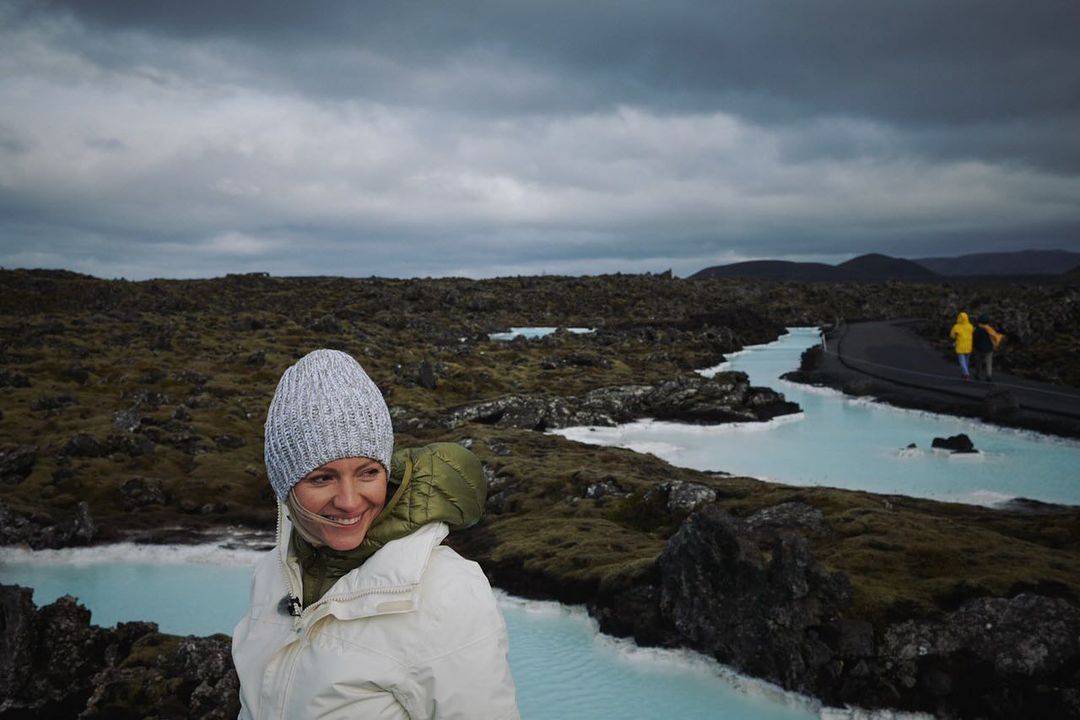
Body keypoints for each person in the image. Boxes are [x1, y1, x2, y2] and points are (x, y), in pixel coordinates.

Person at [232, 349, 519, 719]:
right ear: (284, 484)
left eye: (368, 473)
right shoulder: (274, 573)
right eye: (322, 478)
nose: (350, 502)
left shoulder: (446, 591)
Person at [971, 315, 1006, 382]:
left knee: (978, 362)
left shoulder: (977, 330)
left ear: (980, 322)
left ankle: (977, 375)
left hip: (979, 349)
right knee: (988, 363)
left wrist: (974, 346)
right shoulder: (990, 329)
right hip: (989, 349)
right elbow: (994, 337)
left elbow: (974, 339)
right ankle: (988, 376)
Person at [949, 312, 974, 381]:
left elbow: (952, 336)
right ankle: (964, 374)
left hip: (960, 346)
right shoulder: (970, 326)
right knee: (966, 361)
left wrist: (956, 335)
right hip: (968, 346)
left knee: (962, 361)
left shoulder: (956, 326)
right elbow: (973, 333)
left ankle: (966, 374)